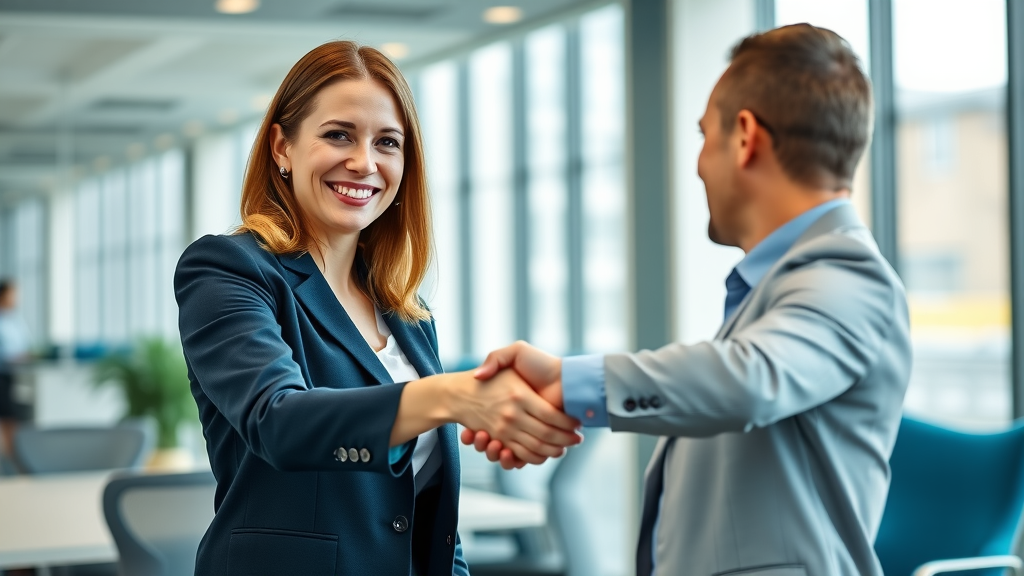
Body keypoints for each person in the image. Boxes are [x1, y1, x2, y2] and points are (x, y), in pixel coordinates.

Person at [466, 24, 911, 576]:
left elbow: (750, 380)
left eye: (704, 135)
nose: (699, 163)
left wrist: (572, 383)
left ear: (745, 137)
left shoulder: (848, 274)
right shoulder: (785, 287)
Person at [174, 41, 580, 576]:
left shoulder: (408, 314)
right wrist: (453, 395)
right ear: (282, 147)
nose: (364, 162)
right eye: (338, 135)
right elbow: (280, 423)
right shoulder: (229, 269)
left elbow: (433, 523)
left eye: (387, 142)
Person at [0, 279, 32, 460]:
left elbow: (24, 344)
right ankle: (10, 454)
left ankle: (15, 453)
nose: (15, 299)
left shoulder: (15, 319)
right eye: (12, 294)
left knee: (13, 414)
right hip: (2, 372)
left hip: (15, 372)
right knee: (7, 415)